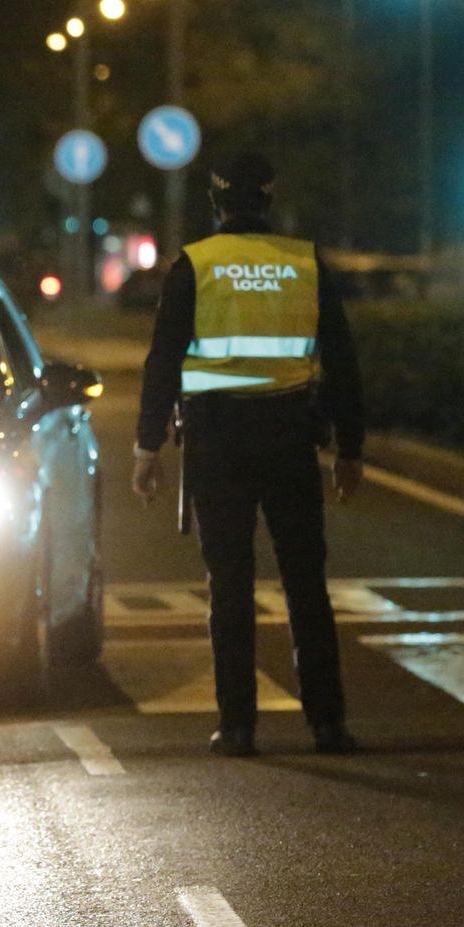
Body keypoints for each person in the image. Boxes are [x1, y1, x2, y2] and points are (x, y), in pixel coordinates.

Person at [131, 152, 363, 758]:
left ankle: (237, 727)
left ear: (215, 202)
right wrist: (351, 448)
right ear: (268, 198)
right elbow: (341, 360)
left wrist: (147, 444)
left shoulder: (195, 265)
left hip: (217, 443)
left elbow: (164, 359)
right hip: (289, 437)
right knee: (305, 583)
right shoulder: (303, 263)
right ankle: (328, 724)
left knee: (229, 585)